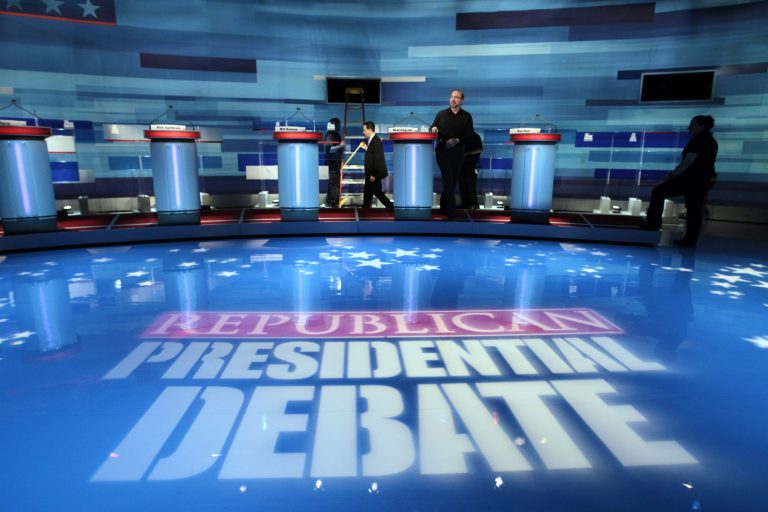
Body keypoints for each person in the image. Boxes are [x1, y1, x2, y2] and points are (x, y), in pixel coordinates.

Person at [642, 115, 718, 248]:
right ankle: (690, 240)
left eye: (692, 125)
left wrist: (671, 175)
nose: (689, 128)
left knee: (658, 192)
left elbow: (688, 162)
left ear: (702, 126)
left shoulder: (698, 141)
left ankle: (653, 223)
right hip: (701, 181)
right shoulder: (711, 141)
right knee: (694, 210)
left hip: (691, 180)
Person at [431, 89, 474, 217]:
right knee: (448, 178)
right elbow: (432, 128)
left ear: (461, 100)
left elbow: (470, 135)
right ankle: (451, 212)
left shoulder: (466, 116)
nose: (453, 99)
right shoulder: (441, 114)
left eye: (456, 97)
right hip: (443, 151)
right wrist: (433, 129)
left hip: (458, 151)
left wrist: (457, 140)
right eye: (451, 97)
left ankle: (444, 206)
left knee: (452, 180)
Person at [361, 121, 394, 209]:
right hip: (371, 173)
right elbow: (373, 155)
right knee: (369, 192)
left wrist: (374, 174)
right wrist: (367, 149)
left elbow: (378, 159)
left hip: (373, 174)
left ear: (370, 130)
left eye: (364, 130)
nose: (363, 132)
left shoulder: (376, 141)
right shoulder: (372, 141)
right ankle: (365, 209)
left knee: (377, 193)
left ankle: (391, 207)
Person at [323, 117, 344, 207]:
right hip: (332, 163)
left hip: (337, 162)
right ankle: (333, 202)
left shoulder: (336, 135)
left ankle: (329, 201)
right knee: (334, 183)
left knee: (333, 183)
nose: (339, 127)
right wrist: (340, 145)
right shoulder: (329, 135)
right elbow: (330, 150)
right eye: (338, 125)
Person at [459, 131, 483, 209]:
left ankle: (473, 203)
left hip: (472, 164)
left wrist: (467, 153)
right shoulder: (462, 137)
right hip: (462, 164)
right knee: (462, 184)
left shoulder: (475, 137)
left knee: (471, 184)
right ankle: (465, 203)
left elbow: (479, 149)